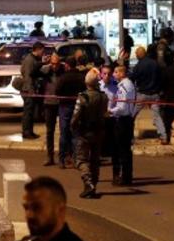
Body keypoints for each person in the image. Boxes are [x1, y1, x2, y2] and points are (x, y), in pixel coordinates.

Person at [72, 69, 108, 199]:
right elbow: (105, 112)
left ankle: (88, 183)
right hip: (99, 131)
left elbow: (76, 116)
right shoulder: (103, 96)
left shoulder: (83, 97)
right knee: (95, 160)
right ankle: (94, 185)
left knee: (80, 160)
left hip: (84, 132)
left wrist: (73, 127)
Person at [55, 57, 86, 168]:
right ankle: (75, 159)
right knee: (75, 133)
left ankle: (62, 159)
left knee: (64, 133)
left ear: (67, 65)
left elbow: (57, 91)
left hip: (64, 106)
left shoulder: (63, 78)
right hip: (77, 106)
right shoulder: (81, 77)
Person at [109, 65, 136, 186]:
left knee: (121, 150)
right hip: (128, 119)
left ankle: (125, 178)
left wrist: (111, 111)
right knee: (125, 150)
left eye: (115, 72)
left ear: (121, 73)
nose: (113, 75)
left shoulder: (123, 87)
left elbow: (122, 107)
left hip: (123, 120)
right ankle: (127, 176)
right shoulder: (128, 84)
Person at [130, 47, 164, 143]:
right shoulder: (154, 63)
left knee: (132, 115)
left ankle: (129, 135)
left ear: (139, 54)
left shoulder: (139, 65)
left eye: (136, 54)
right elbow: (161, 77)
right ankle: (163, 136)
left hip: (142, 94)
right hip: (155, 94)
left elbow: (132, 78)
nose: (136, 56)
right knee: (157, 116)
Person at [40, 54, 65, 166]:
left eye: (56, 64)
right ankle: (50, 156)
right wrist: (42, 63)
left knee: (63, 131)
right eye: (53, 64)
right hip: (48, 103)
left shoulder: (63, 71)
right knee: (50, 131)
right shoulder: (46, 70)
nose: (54, 66)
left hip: (61, 103)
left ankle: (62, 157)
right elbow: (34, 72)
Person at [20, 41, 45, 139]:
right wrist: (31, 91)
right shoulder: (30, 60)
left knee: (30, 112)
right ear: (38, 50)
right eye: (42, 50)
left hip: (30, 89)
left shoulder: (33, 59)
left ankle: (30, 131)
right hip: (28, 90)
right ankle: (26, 132)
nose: (43, 53)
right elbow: (28, 76)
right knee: (28, 112)